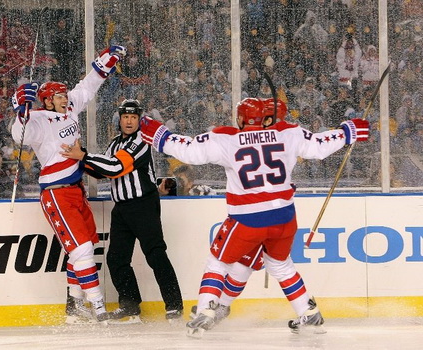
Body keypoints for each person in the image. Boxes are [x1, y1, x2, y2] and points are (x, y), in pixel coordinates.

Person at [140, 97, 370, 337]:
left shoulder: (226, 138)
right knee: (280, 265)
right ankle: (308, 312)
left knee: (218, 261)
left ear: (241, 118)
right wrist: (348, 131)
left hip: (248, 219)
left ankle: (207, 310)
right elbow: (320, 145)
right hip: (284, 217)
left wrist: (160, 135)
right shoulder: (288, 133)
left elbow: (189, 150)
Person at [10, 45, 126, 324]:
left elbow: (87, 87)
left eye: (64, 95)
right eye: (58, 96)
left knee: (84, 246)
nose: (65, 99)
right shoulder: (38, 119)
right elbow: (19, 135)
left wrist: (104, 64)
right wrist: (20, 108)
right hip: (56, 194)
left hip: (76, 191)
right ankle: (98, 307)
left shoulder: (71, 106)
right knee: (83, 250)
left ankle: (75, 305)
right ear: (47, 101)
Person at [60, 99, 184, 323]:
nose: (129, 121)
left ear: (139, 120)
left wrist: (84, 156)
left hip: (143, 205)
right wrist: (79, 158)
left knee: (155, 255)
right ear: (120, 119)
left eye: (133, 117)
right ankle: (130, 305)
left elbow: (116, 167)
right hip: (122, 209)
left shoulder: (141, 142)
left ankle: (174, 306)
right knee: (116, 259)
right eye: (125, 117)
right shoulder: (116, 142)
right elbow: (102, 172)